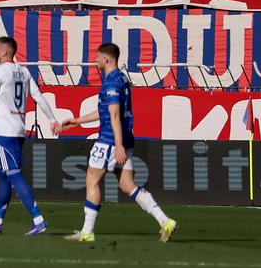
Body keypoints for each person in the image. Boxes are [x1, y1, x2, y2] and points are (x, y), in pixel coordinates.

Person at [55, 42, 177, 244]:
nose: (95, 60)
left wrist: (118, 144)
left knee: (92, 180)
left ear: (105, 59)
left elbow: (114, 115)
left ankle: (87, 232)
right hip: (123, 137)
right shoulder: (122, 78)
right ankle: (165, 221)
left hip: (110, 140)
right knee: (127, 185)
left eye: (97, 57)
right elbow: (106, 111)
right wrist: (77, 121)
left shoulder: (111, 82)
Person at [0, 35, 52, 235]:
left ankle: (38, 219)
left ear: (5, 52)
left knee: (13, 174)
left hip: (3, 131)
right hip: (18, 130)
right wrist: (52, 119)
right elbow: (38, 96)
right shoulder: (24, 71)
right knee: (4, 176)